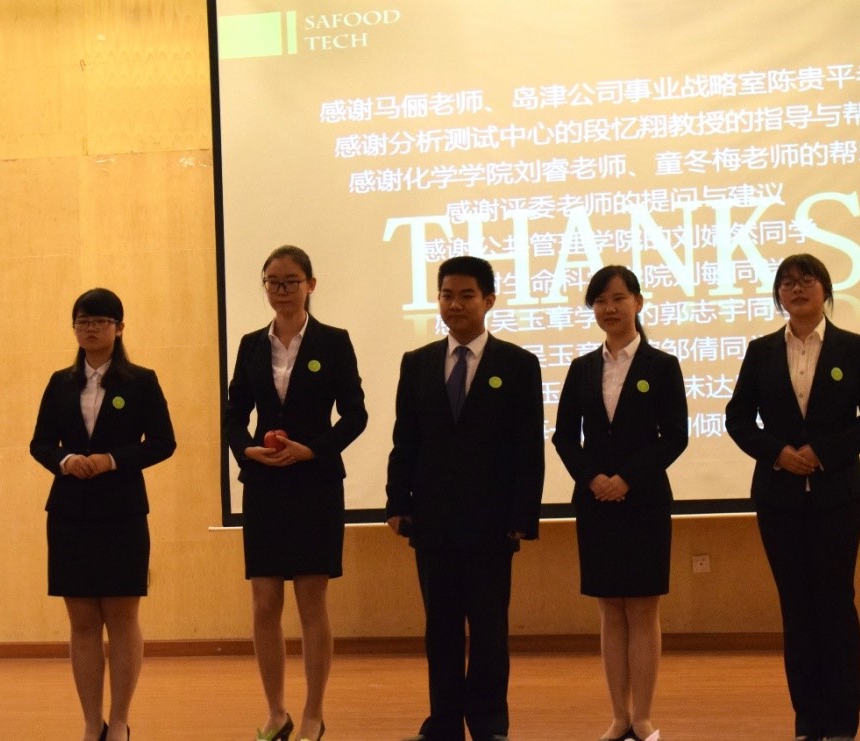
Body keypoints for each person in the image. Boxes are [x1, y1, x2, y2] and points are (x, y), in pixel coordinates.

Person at [724, 253, 860, 741]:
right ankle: (808, 722)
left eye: (808, 280)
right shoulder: (760, 351)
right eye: (788, 282)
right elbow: (737, 419)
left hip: (837, 496)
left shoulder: (853, 348)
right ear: (778, 294)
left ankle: (842, 725)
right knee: (796, 609)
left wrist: (823, 452)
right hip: (778, 499)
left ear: (826, 290)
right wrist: (777, 453)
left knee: (836, 605)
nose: (797, 289)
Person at [385, 255, 544, 741]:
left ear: (488, 300)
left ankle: (490, 724)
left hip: (492, 522)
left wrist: (523, 515)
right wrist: (397, 502)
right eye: (447, 295)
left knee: (490, 630)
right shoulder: (417, 363)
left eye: (466, 295)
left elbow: (528, 447)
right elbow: (405, 439)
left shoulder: (518, 364)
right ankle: (444, 723)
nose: (455, 305)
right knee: (441, 630)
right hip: (432, 520)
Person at [224, 245, 368, 741]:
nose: (281, 291)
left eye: (291, 281)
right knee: (264, 602)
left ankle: (313, 713)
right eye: (273, 282)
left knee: (311, 602)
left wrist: (314, 450)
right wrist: (246, 449)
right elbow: (233, 414)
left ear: (311, 284)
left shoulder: (333, 341)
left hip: (315, 484)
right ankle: (275, 711)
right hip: (265, 485)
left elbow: (355, 415)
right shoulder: (250, 344)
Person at [30, 288, 176, 741]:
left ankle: (120, 721)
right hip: (69, 512)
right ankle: (92, 723)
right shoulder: (60, 382)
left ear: (119, 327)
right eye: (82, 321)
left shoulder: (141, 381)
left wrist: (112, 460)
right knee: (82, 622)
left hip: (122, 512)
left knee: (122, 618)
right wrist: (64, 460)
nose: (90, 328)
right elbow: (40, 443)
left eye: (100, 321)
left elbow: (164, 442)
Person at [552, 265, 688, 741]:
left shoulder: (662, 366)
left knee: (643, 608)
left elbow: (675, 436)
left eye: (618, 298)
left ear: (638, 302)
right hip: (595, 502)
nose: (609, 308)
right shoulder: (582, 368)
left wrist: (627, 479)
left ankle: (643, 716)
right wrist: (593, 478)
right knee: (610, 608)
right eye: (600, 301)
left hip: (645, 499)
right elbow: (564, 436)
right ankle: (618, 716)